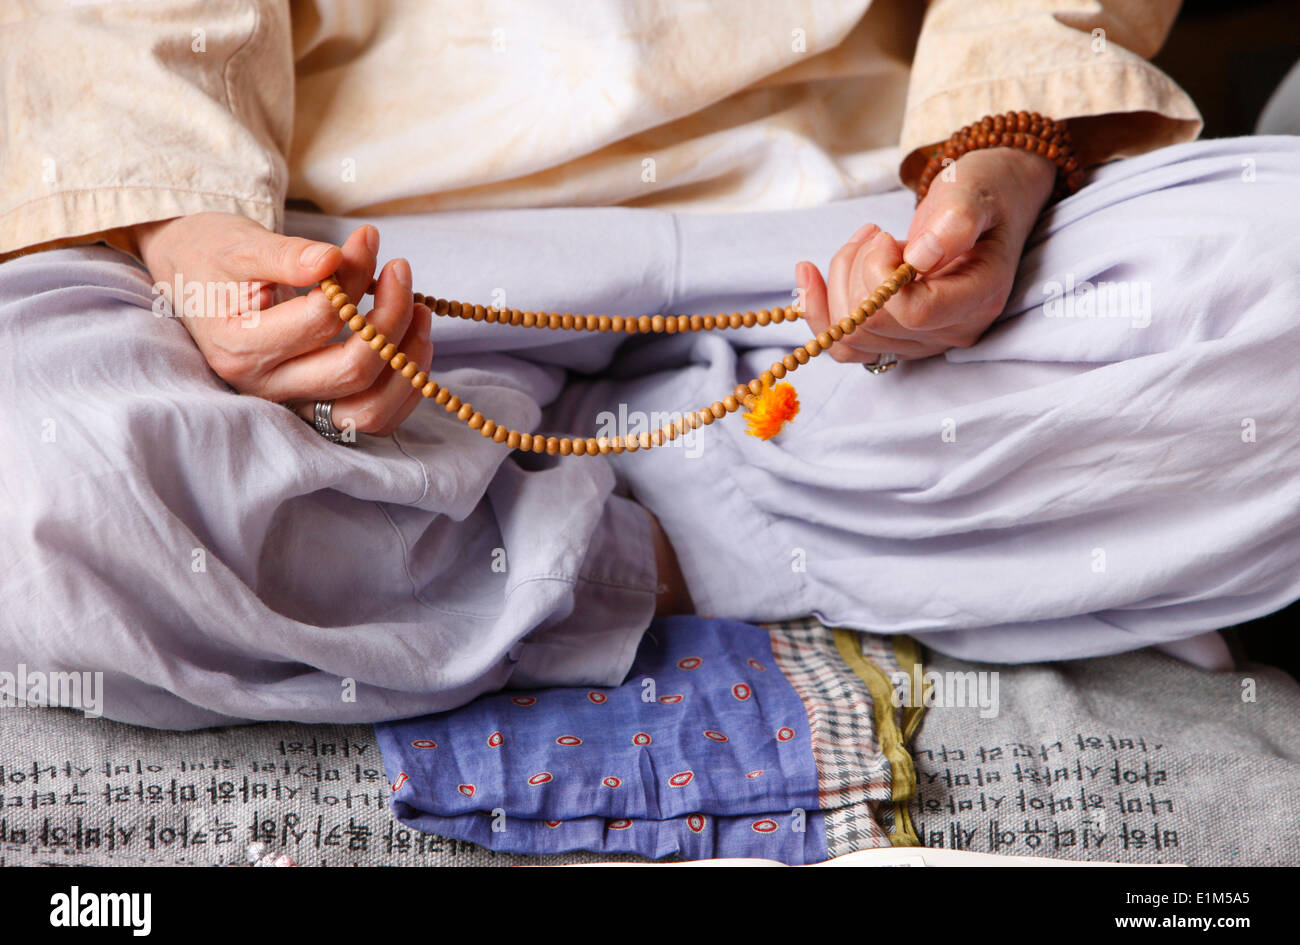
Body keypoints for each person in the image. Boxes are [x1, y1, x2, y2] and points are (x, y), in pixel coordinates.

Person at [1, 1, 1296, 728]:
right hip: (345, 248)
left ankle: (522, 538)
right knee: (43, 489)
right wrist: (194, 243)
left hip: (838, 241)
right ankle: (711, 527)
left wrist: (994, 159)